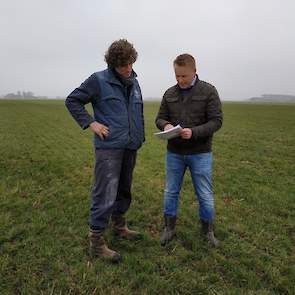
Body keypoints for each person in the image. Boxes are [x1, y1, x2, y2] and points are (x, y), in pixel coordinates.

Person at [65, 39, 145, 262]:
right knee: (104, 192)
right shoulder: (98, 80)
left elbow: (136, 112)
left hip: (130, 145)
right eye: (123, 65)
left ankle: (120, 226)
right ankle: (96, 241)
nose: (128, 69)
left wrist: (139, 136)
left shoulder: (135, 81)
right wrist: (92, 123)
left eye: (131, 63)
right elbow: (72, 101)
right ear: (112, 64)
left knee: (123, 189)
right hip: (109, 147)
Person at [155, 53, 222, 247]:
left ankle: (207, 231)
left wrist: (194, 132)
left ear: (194, 71)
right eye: (177, 76)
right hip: (174, 153)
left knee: (204, 193)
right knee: (170, 191)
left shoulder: (209, 91)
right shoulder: (169, 93)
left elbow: (217, 121)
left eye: (184, 76)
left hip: (200, 153)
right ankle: (169, 228)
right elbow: (159, 118)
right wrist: (166, 126)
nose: (180, 80)